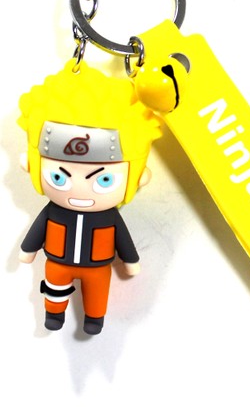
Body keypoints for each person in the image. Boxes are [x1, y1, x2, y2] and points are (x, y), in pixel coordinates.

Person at [18, 60, 161, 334]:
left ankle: (95, 318)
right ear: (30, 165)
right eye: (58, 177)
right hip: (57, 263)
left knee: (97, 290)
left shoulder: (110, 216)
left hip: (97, 266)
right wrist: (28, 250)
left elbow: (122, 238)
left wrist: (130, 260)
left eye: (104, 180)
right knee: (55, 286)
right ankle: (54, 313)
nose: (80, 189)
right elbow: (37, 230)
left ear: (140, 177)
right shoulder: (53, 211)